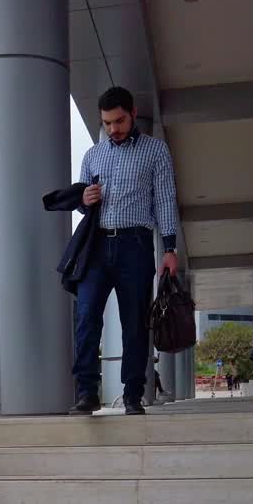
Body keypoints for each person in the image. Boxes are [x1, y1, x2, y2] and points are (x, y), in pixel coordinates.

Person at [71, 87, 180, 416]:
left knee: (134, 322)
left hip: (136, 244)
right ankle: (87, 393)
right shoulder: (92, 156)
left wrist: (170, 248)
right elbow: (81, 204)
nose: (113, 129)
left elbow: (164, 200)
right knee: (87, 317)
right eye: (107, 123)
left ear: (132, 113)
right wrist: (83, 199)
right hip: (97, 245)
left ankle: (133, 393)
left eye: (119, 121)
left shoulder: (155, 151)